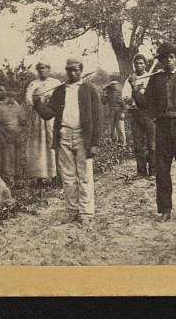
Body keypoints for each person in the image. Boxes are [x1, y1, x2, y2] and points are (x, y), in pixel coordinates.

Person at [131, 42, 176, 223]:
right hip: (161, 127)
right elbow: (145, 104)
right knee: (162, 170)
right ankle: (165, 209)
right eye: (165, 58)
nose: (168, 61)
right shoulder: (155, 80)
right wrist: (134, 88)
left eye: (171, 57)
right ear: (160, 62)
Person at [33, 57, 103, 226]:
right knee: (68, 177)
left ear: (81, 70)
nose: (72, 73)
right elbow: (49, 113)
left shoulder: (90, 89)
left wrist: (94, 144)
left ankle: (86, 212)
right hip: (64, 136)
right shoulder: (60, 90)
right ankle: (72, 211)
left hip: (82, 138)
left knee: (85, 176)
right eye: (69, 70)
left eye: (76, 70)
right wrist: (38, 102)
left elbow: (98, 117)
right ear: (66, 71)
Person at [24, 62, 62, 182]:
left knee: (52, 141)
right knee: (38, 144)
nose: (42, 71)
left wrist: (48, 99)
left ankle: (55, 174)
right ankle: (40, 175)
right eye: (39, 68)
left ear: (49, 69)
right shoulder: (33, 84)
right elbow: (28, 99)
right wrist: (36, 100)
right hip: (38, 117)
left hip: (51, 116)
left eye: (44, 68)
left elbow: (60, 98)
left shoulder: (56, 83)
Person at [0, 82, 25, 205]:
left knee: (13, 156)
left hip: (13, 135)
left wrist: (17, 131)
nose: (1, 93)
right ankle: (1, 177)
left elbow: (22, 120)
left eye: (3, 91)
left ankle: (14, 179)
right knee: (0, 156)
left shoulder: (15, 105)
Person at [126, 53, 156, 178]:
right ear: (134, 65)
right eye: (136, 63)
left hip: (148, 115)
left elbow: (151, 99)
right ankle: (141, 172)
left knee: (152, 145)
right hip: (135, 114)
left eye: (141, 63)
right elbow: (125, 96)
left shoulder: (150, 78)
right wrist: (133, 99)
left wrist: (139, 93)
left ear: (145, 65)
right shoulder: (130, 79)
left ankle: (153, 172)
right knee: (138, 145)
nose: (139, 65)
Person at [106, 81, 127, 147]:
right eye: (112, 85)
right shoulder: (108, 93)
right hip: (111, 110)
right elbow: (103, 101)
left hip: (119, 110)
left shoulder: (120, 94)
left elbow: (124, 104)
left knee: (120, 127)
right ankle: (113, 141)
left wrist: (123, 112)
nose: (113, 86)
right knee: (111, 128)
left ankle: (122, 143)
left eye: (114, 85)